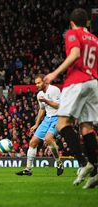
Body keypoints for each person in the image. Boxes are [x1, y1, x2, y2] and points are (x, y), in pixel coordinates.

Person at [44, 8, 98, 189]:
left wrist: (54, 73)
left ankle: (83, 164)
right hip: (93, 82)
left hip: (77, 82)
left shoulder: (73, 33)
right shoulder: (95, 39)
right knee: (87, 127)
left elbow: (74, 54)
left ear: (72, 23)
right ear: (87, 22)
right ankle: (96, 170)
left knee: (62, 124)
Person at [16, 74, 64, 176]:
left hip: (57, 117)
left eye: (38, 82)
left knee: (48, 139)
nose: (37, 85)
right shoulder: (39, 95)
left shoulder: (54, 90)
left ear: (45, 81)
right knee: (33, 142)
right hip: (47, 119)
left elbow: (58, 105)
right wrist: (36, 124)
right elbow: (42, 109)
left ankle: (59, 163)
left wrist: (46, 100)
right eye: (36, 83)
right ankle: (28, 169)